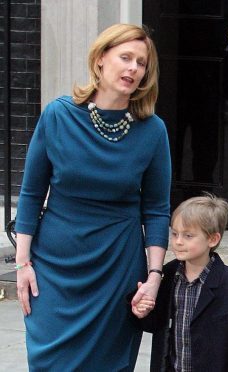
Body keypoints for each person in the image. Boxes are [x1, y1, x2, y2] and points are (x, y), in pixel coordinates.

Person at [14, 23, 171, 370]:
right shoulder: (58, 115)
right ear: (100, 60)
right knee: (49, 360)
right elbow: (30, 192)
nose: (133, 68)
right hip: (55, 266)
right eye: (125, 57)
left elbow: (157, 210)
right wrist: (22, 263)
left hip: (117, 268)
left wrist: (155, 276)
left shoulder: (153, 130)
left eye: (141, 63)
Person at [135, 194, 228, 371]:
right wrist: (143, 310)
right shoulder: (167, 275)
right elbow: (156, 325)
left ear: (213, 239)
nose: (178, 242)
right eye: (174, 234)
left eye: (188, 236)